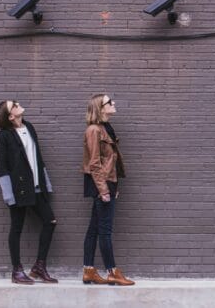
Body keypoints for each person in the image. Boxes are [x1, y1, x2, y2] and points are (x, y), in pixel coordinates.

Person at [0, 100, 58, 284]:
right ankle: (17, 271)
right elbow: (2, 168)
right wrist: (8, 195)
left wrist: (46, 183)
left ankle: (39, 266)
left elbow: (38, 157)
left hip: (36, 188)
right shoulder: (4, 137)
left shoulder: (29, 127)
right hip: (18, 190)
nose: (17, 104)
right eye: (13, 104)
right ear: (10, 116)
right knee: (16, 228)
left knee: (50, 221)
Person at [81, 93, 135, 286]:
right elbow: (95, 164)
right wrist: (104, 189)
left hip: (106, 182)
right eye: (109, 102)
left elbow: (111, 161)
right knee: (105, 230)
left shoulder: (105, 128)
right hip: (100, 184)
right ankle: (112, 271)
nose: (114, 103)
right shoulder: (94, 131)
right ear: (100, 108)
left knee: (94, 229)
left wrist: (114, 186)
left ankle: (89, 270)